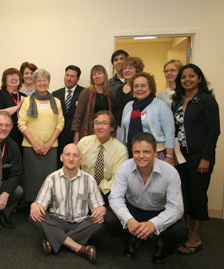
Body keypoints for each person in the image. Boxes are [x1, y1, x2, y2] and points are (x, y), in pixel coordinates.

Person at [105, 132, 187, 264]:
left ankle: (161, 243)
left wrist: (153, 224)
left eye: (146, 152)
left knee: (180, 231)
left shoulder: (170, 173)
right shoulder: (124, 168)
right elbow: (115, 198)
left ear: (155, 153)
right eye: (137, 152)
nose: (141, 156)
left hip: (158, 211)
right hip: (134, 209)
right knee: (110, 219)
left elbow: (176, 208)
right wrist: (129, 220)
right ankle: (132, 238)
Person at [172, 64, 220, 255]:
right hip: (181, 155)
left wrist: (206, 158)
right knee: (186, 195)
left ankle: (195, 238)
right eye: (184, 77)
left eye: (192, 76)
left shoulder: (207, 101)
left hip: (199, 155)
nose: (187, 79)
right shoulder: (179, 100)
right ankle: (189, 230)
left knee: (198, 196)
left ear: (199, 78)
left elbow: (214, 131)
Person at [29, 143, 106, 263]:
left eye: (75, 156)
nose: (71, 158)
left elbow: (98, 208)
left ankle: (55, 240)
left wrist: (101, 210)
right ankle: (78, 247)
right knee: (34, 217)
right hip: (58, 221)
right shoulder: (52, 179)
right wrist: (34, 205)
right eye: (68, 155)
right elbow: (41, 207)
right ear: (61, 157)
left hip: (81, 223)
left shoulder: (89, 180)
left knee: (101, 222)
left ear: (80, 160)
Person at [18, 69, 64, 203]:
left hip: (50, 148)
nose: (42, 83)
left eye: (45, 80)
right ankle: (32, 208)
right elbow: (21, 123)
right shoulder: (27, 102)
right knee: (32, 179)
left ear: (49, 83)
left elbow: (60, 122)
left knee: (48, 178)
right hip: (30, 147)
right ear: (34, 83)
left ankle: (47, 207)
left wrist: (49, 143)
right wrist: (35, 144)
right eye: (39, 80)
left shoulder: (56, 101)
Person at [121, 72, 175, 164]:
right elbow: (123, 132)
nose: (139, 89)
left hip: (155, 155)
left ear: (150, 87)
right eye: (136, 86)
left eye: (143, 85)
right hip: (132, 154)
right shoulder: (128, 106)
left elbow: (170, 132)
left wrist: (169, 156)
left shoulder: (160, 105)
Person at [77, 110, 128, 204]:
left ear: (112, 127)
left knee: (106, 217)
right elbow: (74, 167)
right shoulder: (84, 142)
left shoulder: (121, 150)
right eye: (96, 123)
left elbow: (117, 179)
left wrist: (98, 189)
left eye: (104, 123)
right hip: (84, 189)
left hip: (107, 192)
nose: (99, 127)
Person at [72, 65, 113, 143]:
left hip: (105, 135)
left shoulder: (109, 95)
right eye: (94, 75)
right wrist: (76, 139)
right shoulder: (85, 93)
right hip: (88, 134)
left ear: (105, 75)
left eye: (99, 73)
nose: (96, 76)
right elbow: (78, 116)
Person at [52, 65, 84, 167]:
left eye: (72, 76)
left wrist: (77, 137)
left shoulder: (84, 93)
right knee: (58, 163)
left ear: (78, 79)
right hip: (59, 136)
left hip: (76, 135)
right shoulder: (55, 94)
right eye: (67, 75)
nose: (69, 78)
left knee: (74, 164)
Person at [0, 68, 25, 149]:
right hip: (2, 135)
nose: (13, 78)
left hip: (20, 137)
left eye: (16, 75)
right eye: (10, 76)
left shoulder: (24, 96)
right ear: (4, 80)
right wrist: (17, 107)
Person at [112, 56, 144, 141]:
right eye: (124, 68)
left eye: (131, 68)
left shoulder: (141, 89)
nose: (127, 70)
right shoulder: (119, 90)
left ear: (137, 69)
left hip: (136, 128)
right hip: (119, 129)